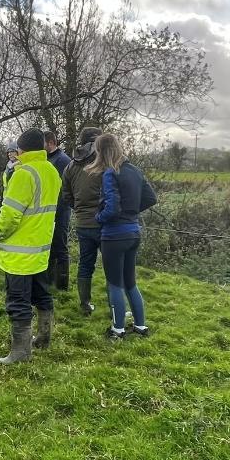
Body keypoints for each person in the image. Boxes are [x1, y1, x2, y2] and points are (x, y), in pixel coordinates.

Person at [0, 128, 61, 363]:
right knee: (42, 294)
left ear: (21, 149)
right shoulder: (51, 170)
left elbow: (9, 215)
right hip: (41, 249)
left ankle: (20, 352)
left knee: (18, 301)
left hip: (19, 253)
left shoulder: (23, 174)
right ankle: (43, 337)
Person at [89, 132, 155, 339]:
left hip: (114, 235)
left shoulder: (111, 173)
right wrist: (132, 211)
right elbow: (151, 198)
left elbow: (112, 209)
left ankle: (117, 330)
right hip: (134, 233)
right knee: (130, 282)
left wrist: (98, 217)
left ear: (101, 151)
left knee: (114, 283)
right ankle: (141, 326)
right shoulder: (135, 170)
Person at [60, 127, 103, 316]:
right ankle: (115, 305)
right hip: (104, 222)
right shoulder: (104, 162)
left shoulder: (71, 165)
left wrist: (78, 208)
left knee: (85, 263)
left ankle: (85, 304)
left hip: (82, 222)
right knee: (112, 265)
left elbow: (66, 194)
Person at [45, 130, 74, 291]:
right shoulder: (48, 159)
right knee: (49, 246)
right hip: (48, 211)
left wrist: (59, 209)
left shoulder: (63, 160)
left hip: (60, 211)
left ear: (50, 143)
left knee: (60, 246)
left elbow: (66, 189)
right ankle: (48, 281)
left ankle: (62, 285)